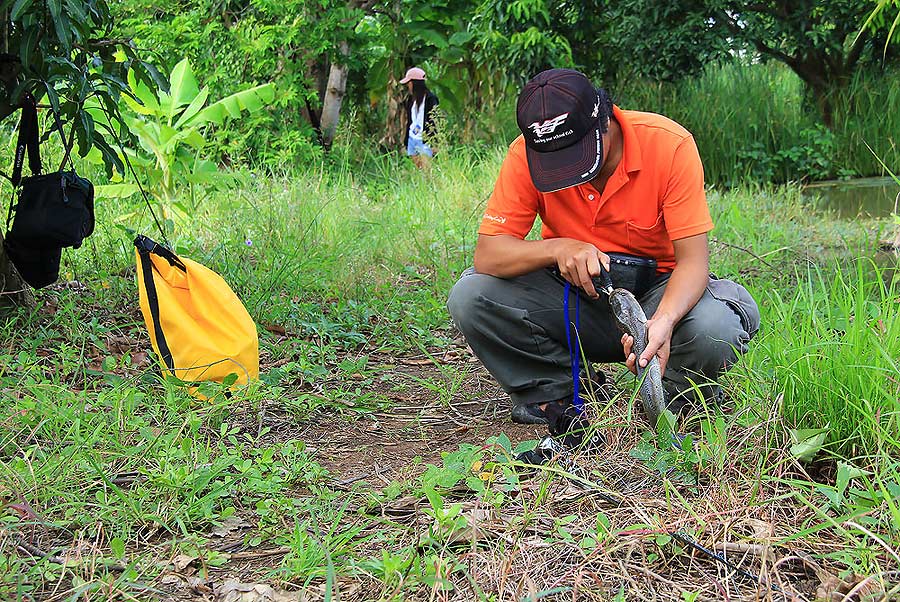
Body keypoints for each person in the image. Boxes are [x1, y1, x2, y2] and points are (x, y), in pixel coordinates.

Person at [447, 68, 760, 449]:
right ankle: (564, 392)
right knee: (471, 296)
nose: (571, 175)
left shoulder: (669, 145)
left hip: (656, 298)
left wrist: (661, 323)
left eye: (577, 156)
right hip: (575, 302)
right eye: (555, 163)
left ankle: (674, 397)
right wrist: (558, 248)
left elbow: (693, 263)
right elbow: (488, 253)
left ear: (604, 121)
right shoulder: (524, 154)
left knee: (715, 327)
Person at [399, 66, 439, 168]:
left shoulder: (431, 99)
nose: (408, 86)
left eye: (409, 83)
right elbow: (409, 121)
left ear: (413, 83)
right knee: (418, 169)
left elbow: (434, 120)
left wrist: (434, 141)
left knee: (427, 170)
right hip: (413, 138)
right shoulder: (410, 100)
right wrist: (406, 141)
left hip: (425, 139)